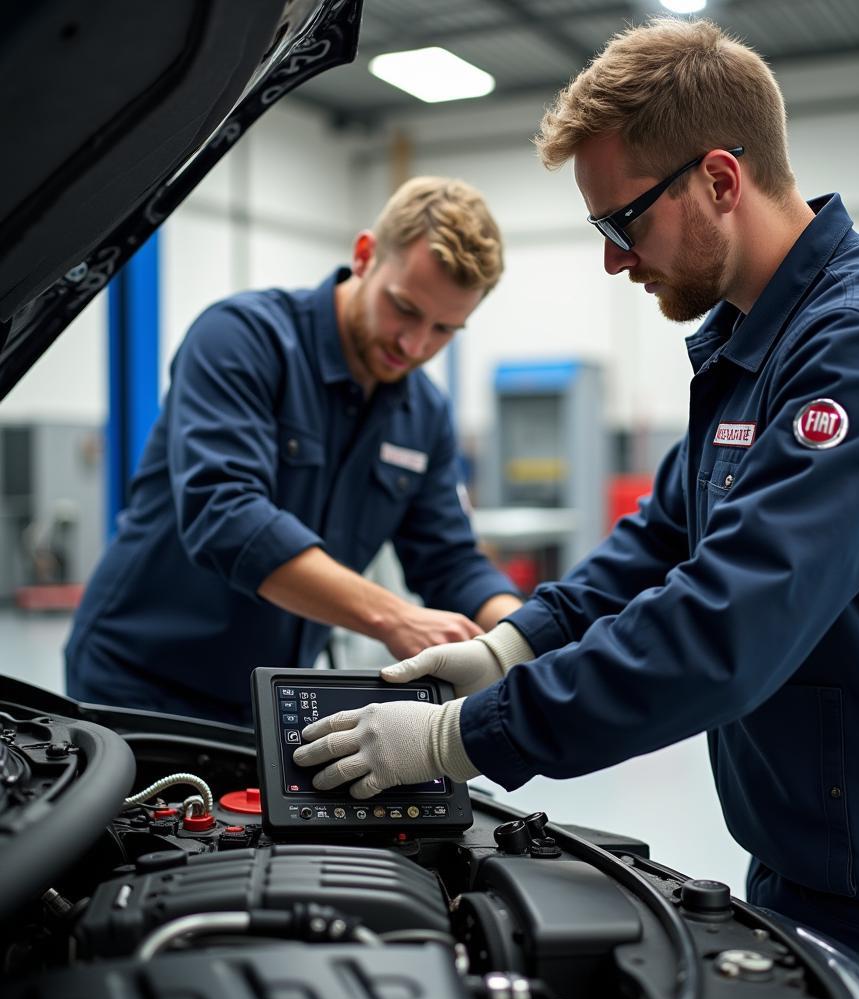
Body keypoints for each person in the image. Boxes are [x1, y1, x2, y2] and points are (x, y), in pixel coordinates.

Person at [291, 19, 859, 999]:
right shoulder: (752, 342)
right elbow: (662, 541)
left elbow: (725, 624)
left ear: (720, 180)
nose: (611, 261)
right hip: (809, 849)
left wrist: (464, 736)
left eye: (620, 222)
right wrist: (512, 643)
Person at [66, 177, 522, 726]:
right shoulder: (241, 339)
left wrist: (517, 634)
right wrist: (393, 617)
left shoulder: (422, 413)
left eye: (445, 329)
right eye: (404, 308)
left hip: (273, 698)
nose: (415, 345)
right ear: (364, 256)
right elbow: (225, 515)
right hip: (140, 682)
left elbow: (448, 557)